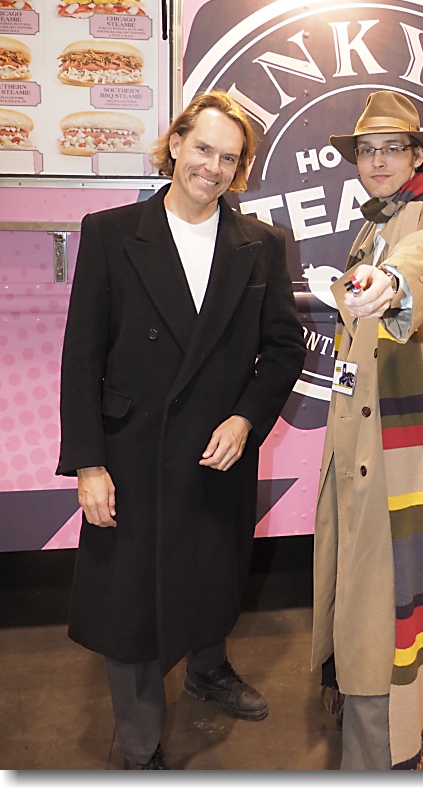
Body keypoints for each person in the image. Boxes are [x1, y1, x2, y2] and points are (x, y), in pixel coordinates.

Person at [57, 90, 306, 770]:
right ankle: (140, 745)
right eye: (202, 149)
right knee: (130, 602)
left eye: (229, 157)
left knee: (212, 576)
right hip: (130, 452)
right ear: (174, 145)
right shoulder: (111, 233)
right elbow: (81, 354)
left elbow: (284, 348)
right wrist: (88, 464)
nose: (212, 167)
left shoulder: (260, 244)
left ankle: (207, 669)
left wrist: (246, 417)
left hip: (216, 451)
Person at [311, 90, 423, 770]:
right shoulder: (371, 225)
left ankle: (387, 752)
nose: (377, 161)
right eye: (366, 151)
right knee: (369, 581)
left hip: (403, 443)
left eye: (391, 149)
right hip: (363, 435)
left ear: (416, 156)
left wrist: (391, 281)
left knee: (389, 589)